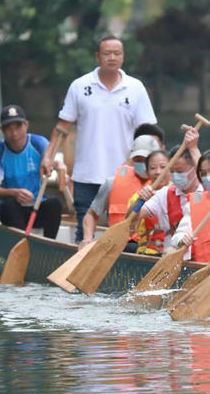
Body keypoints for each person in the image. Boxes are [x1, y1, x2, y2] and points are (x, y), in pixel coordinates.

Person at [40, 35, 157, 243]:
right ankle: (78, 267)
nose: (112, 57)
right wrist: (48, 157)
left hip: (125, 173)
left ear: (123, 57)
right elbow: (62, 128)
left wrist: (151, 165)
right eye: (107, 53)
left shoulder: (136, 88)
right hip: (87, 173)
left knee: (124, 230)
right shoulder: (80, 86)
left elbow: (148, 133)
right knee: (83, 229)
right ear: (97, 57)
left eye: (117, 53)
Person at [0, 104, 62, 238]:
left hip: (37, 206)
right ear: (2, 130)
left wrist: (61, 170)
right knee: (8, 205)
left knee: (55, 204)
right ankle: (20, 243)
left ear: (26, 125)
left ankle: (50, 244)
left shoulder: (39, 143)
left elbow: (54, 164)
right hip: (13, 211)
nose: (14, 133)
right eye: (9, 129)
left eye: (18, 127)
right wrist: (14, 193)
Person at [78, 135, 159, 250]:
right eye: (138, 160)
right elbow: (91, 215)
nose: (142, 164)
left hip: (152, 247)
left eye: (146, 160)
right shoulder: (112, 183)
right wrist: (87, 238)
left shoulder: (166, 186)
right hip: (118, 245)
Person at [135, 144, 203, 254]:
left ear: (194, 169)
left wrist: (194, 148)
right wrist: (140, 200)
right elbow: (133, 217)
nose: (175, 175)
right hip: (170, 258)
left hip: (202, 257)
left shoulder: (207, 193)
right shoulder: (164, 193)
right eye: (172, 171)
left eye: (180, 171)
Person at [126, 149, 171, 254]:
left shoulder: (179, 192)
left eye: (163, 167)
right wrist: (140, 200)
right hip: (146, 253)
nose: (158, 172)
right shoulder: (138, 196)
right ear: (147, 172)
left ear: (171, 169)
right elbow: (129, 223)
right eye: (153, 168)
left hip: (172, 253)